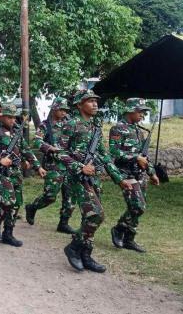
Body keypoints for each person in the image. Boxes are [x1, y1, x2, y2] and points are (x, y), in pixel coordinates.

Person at [57, 90, 132, 273]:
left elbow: (105, 156)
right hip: (77, 178)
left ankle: (86, 254)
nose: (95, 104)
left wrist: (119, 179)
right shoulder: (71, 124)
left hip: (93, 178)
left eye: (96, 101)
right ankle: (74, 247)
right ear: (79, 105)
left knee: (88, 217)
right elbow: (59, 151)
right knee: (97, 214)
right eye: (90, 101)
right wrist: (78, 167)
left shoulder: (95, 126)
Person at [0, 103, 46, 247]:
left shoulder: (17, 131)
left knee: (16, 203)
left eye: (14, 117)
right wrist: (0, 159)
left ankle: (8, 233)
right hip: (1, 172)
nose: (13, 120)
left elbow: (25, 149)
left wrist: (38, 167)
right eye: (9, 117)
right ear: (2, 116)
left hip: (16, 172)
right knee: (8, 200)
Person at [109, 98, 160, 253]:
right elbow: (114, 152)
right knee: (138, 205)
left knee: (138, 208)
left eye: (144, 112)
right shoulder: (118, 129)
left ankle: (129, 239)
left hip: (139, 174)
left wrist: (152, 173)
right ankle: (118, 229)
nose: (142, 115)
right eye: (140, 111)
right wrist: (135, 158)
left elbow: (144, 157)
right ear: (130, 110)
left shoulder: (139, 131)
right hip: (125, 173)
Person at [25, 97, 75, 234]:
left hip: (70, 165)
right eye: (61, 110)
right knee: (50, 196)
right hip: (54, 165)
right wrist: (49, 148)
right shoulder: (45, 125)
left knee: (70, 196)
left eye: (65, 110)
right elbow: (37, 141)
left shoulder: (71, 124)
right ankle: (32, 207)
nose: (64, 112)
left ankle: (63, 223)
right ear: (54, 109)